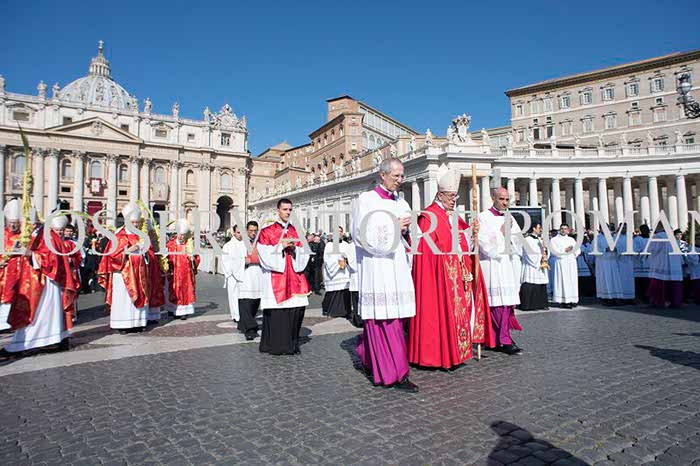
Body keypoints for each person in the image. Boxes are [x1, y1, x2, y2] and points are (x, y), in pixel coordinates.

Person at [409, 165, 492, 370]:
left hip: (456, 275)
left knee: (458, 314)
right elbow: (427, 252)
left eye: (455, 196)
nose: (454, 200)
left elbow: (463, 241)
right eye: (451, 196)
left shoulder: (452, 215)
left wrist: (472, 233)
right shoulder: (428, 216)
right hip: (438, 278)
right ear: (440, 195)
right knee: (438, 315)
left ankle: (455, 353)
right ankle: (437, 356)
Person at [352, 158, 418, 391]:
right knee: (383, 320)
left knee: (397, 320)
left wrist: (407, 231)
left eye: (402, 176)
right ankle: (394, 373)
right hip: (377, 268)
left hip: (397, 267)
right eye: (396, 176)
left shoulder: (402, 202)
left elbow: (410, 237)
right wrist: (394, 227)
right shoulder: (366, 200)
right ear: (383, 175)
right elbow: (360, 235)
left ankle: (376, 360)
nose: (400, 180)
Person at [6, 214, 79, 352]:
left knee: (41, 311)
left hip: (45, 282)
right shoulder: (42, 234)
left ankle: (40, 340)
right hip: (39, 278)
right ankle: (52, 339)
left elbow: (51, 260)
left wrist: (30, 254)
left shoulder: (49, 237)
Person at [257, 198, 311, 355]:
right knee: (278, 313)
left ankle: (292, 344)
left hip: (294, 276)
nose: (288, 212)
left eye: (290, 210)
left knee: (296, 310)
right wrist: (281, 246)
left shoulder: (296, 231)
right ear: (278, 211)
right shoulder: (267, 232)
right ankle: (277, 345)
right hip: (277, 278)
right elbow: (263, 254)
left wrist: (295, 249)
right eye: (285, 209)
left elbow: (305, 252)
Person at [478, 187, 523, 355]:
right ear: (493, 199)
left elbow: (519, 242)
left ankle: (502, 338)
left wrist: (511, 237)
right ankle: (500, 339)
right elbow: (482, 241)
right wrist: (502, 233)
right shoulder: (483, 217)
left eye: (507, 199)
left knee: (506, 304)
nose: (505, 202)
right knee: (495, 305)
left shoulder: (510, 218)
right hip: (492, 264)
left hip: (507, 265)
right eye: (501, 199)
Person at [98, 203, 150, 332]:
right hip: (123, 273)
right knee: (123, 298)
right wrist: (129, 251)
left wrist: (143, 251)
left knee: (140, 295)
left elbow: (148, 254)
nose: (135, 225)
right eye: (133, 222)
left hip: (139, 273)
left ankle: (138, 322)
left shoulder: (141, 236)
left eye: (137, 222)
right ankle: (122, 324)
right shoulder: (118, 236)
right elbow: (112, 255)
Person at [166, 220, 200, 320]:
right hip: (174, 273)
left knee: (185, 291)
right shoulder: (171, 244)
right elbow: (166, 257)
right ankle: (173, 309)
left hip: (186, 274)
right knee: (173, 291)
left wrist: (193, 258)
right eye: (180, 234)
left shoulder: (189, 246)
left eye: (183, 235)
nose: (181, 237)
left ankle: (184, 312)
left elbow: (196, 258)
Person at [0, 199, 24, 331]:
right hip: (3, 269)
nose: (13, 225)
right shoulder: (2, 234)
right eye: (11, 223)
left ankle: (8, 322)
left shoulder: (23, 236)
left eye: (15, 223)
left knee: (13, 294)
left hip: (17, 270)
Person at [647, 225, 683, 308]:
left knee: (660, 282)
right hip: (674, 265)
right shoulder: (673, 238)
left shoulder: (658, 236)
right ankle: (674, 301)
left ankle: (659, 301)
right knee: (673, 283)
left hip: (661, 264)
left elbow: (652, 249)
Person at [321, 226, 352, 318]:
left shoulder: (346, 244)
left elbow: (351, 256)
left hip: (345, 271)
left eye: (341, 231)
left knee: (344, 291)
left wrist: (347, 259)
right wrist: (338, 262)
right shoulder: (329, 245)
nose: (339, 233)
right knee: (333, 292)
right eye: (337, 231)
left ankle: (345, 311)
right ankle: (331, 310)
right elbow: (326, 259)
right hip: (334, 272)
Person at [519, 223, 549, 311]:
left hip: (540, 265)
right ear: (534, 228)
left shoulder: (540, 240)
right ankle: (530, 305)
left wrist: (545, 252)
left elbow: (545, 251)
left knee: (541, 284)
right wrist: (539, 257)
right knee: (531, 284)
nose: (541, 230)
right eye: (539, 228)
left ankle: (541, 304)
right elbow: (528, 253)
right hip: (531, 265)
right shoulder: (527, 240)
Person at [549, 223, 580, 309]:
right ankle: (564, 301)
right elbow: (553, 251)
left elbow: (578, 250)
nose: (563, 230)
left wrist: (573, 251)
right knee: (563, 281)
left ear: (568, 230)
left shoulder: (571, 239)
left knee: (572, 281)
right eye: (562, 228)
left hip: (571, 262)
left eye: (565, 229)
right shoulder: (554, 240)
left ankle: (572, 299)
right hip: (561, 262)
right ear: (560, 229)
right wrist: (565, 250)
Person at [221, 225, 246, 324]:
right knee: (233, 296)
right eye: (238, 232)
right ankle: (235, 315)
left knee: (243, 295)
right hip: (232, 275)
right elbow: (225, 260)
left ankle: (243, 314)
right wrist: (229, 273)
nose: (240, 235)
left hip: (243, 273)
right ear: (234, 233)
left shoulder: (246, 244)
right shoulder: (228, 246)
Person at [595, 224, 624, 306]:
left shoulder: (613, 238)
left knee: (614, 281)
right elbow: (594, 250)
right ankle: (606, 298)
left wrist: (616, 249)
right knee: (605, 280)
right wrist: (605, 249)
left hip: (613, 262)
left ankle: (614, 297)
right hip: (603, 263)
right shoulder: (597, 239)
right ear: (600, 229)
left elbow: (620, 247)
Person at [345, 234, 362, 328]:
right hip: (356, 276)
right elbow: (352, 263)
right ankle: (358, 320)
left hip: (364, 278)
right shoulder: (351, 246)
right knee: (356, 300)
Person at [633, 225, 651, 302]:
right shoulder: (637, 239)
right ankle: (640, 297)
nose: (645, 231)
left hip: (649, 263)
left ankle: (648, 296)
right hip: (639, 263)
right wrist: (642, 253)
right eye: (643, 229)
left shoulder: (652, 239)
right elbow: (634, 250)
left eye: (646, 229)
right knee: (639, 281)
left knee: (648, 281)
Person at [577, 233, 596, 298]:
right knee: (581, 279)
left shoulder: (588, 245)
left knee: (587, 278)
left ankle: (588, 291)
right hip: (580, 263)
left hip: (586, 263)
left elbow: (590, 253)